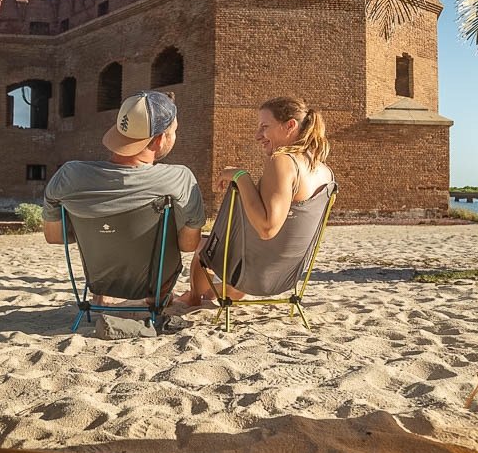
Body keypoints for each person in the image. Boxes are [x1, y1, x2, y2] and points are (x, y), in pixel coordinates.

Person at [42, 90, 204, 307]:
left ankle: (102, 294)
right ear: (158, 140)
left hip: (100, 279)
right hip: (153, 281)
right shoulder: (179, 179)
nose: (175, 136)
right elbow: (188, 245)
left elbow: (55, 237)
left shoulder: (68, 176)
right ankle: (157, 298)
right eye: (174, 131)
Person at [177, 96, 334, 308]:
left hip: (253, 274)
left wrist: (241, 177)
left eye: (265, 127)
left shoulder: (283, 161)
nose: (258, 135)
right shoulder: (326, 173)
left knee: (203, 243)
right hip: (287, 277)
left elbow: (267, 229)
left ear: (290, 126)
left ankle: (194, 297)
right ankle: (228, 291)